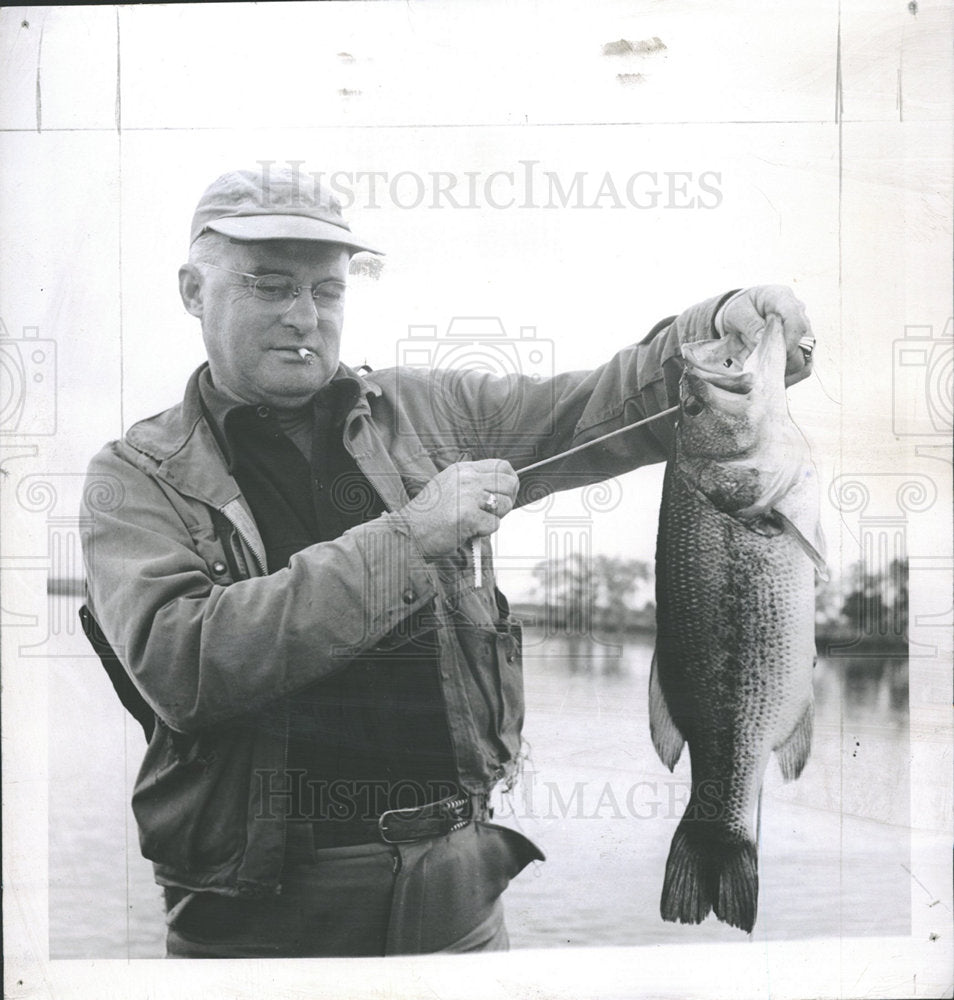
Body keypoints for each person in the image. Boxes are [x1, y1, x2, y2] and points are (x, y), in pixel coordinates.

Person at [79, 165, 814, 958]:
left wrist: (710, 332)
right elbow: (184, 666)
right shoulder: (135, 475)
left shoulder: (429, 413)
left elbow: (599, 408)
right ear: (193, 290)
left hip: (459, 893)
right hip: (258, 915)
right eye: (269, 284)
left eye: (327, 292)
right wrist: (411, 536)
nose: (303, 316)